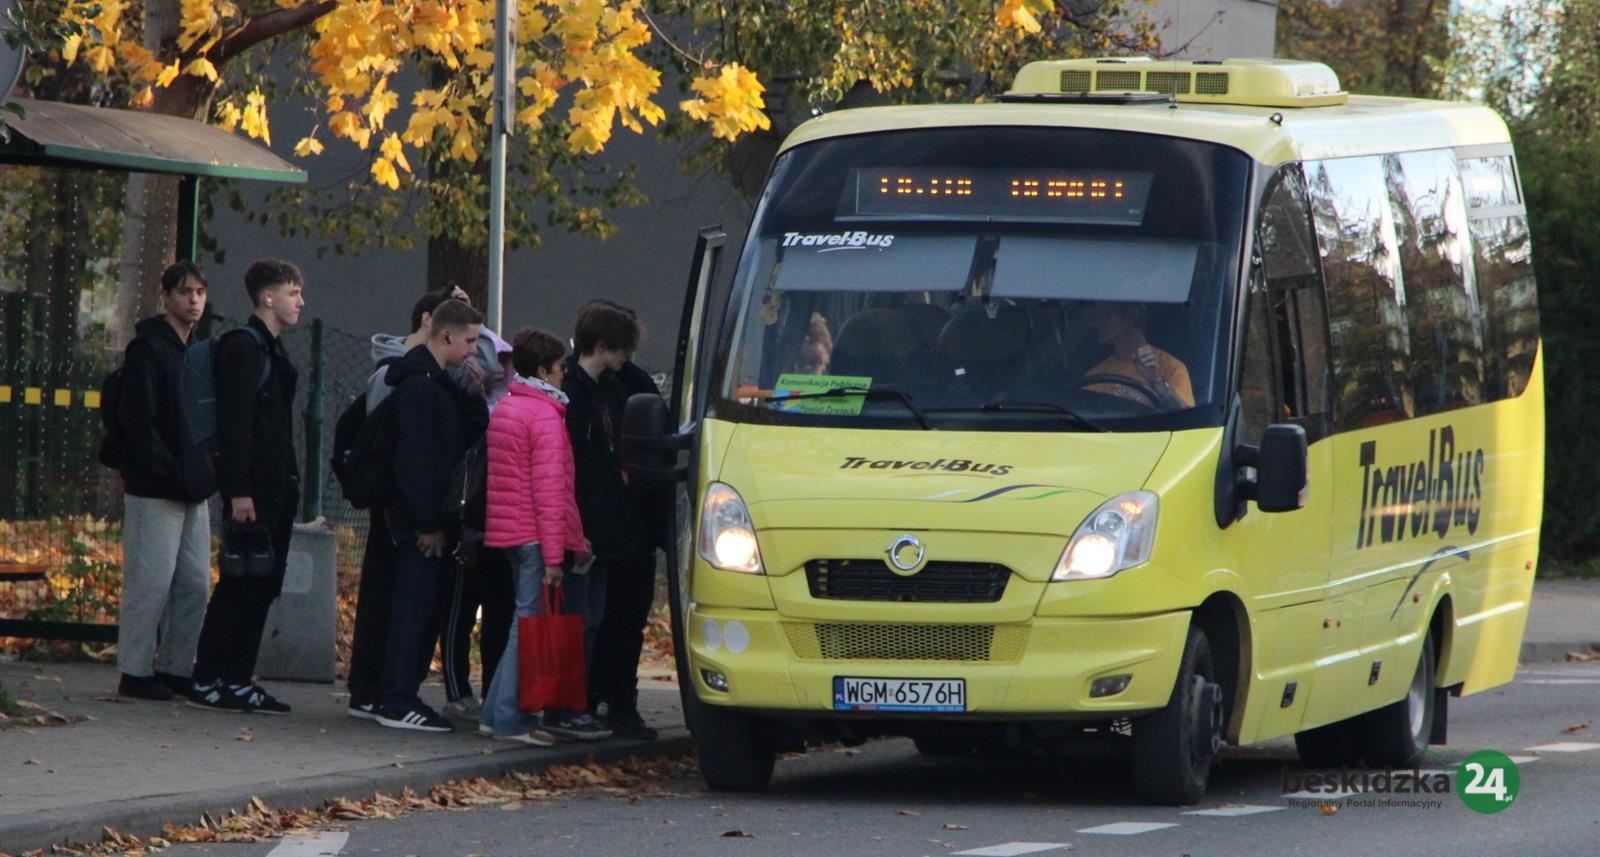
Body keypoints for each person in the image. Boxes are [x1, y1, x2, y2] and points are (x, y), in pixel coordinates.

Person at [189, 260, 304, 714]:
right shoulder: (246, 348)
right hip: (253, 492)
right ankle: (212, 675)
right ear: (268, 298)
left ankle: (235, 677)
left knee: (261, 584)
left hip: (274, 488)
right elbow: (236, 426)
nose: (300, 302)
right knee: (240, 582)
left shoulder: (272, 351)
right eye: (293, 292)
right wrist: (239, 492)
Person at [374, 298, 485, 732]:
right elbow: (417, 463)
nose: (475, 351)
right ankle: (398, 697)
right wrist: (428, 524)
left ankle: (402, 694)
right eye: (471, 342)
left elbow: (466, 434)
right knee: (412, 608)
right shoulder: (420, 387)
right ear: (446, 336)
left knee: (421, 607)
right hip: (421, 522)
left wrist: (472, 394)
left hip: (427, 518)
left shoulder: (438, 383)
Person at [346, 288, 456, 719]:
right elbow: (408, 453)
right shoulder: (406, 379)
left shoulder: (417, 377)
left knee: (394, 599)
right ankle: (383, 692)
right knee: (395, 600)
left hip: (401, 506)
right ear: (432, 321)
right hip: (402, 509)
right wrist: (422, 514)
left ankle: (376, 690)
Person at [479, 329, 593, 744]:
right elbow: (551, 492)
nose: (565, 374)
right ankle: (511, 718)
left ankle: (494, 713)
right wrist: (555, 554)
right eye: (561, 367)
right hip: (533, 537)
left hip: (508, 533)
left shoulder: (509, 407)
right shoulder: (545, 416)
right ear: (544, 370)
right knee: (525, 625)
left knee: (517, 621)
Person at [114, 261, 216, 701]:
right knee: (150, 580)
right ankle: (134, 671)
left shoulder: (196, 351)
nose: (193, 300)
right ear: (166, 298)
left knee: (194, 580)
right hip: (156, 486)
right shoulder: (147, 350)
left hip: (192, 485)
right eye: (183, 292)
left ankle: (177, 665)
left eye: (199, 292)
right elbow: (140, 423)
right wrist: (168, 469)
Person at [555, 303, 641, 739]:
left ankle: (580, 701)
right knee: (581, 616)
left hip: (598, 525)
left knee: (592, 615)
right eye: (622, 349)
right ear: (604, 346)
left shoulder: (598, 389)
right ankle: (572, 702)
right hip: (586, 526)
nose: (627, 358)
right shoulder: (577, 394)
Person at [584, 300, 668, 741]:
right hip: (618, 523)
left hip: (625, 524)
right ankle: (609, 699)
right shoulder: (602, 387)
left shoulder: (617, 385)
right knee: (608, 618)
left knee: (616, 618)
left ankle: (610, 698)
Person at [1082, 301, 1194, 409]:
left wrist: (1156, 382)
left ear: (1131, 315)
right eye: (1096, 315)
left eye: (1104, 314)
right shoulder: (1096, 375)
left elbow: (1185, 420)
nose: (1097, 323)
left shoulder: (1171, 368)